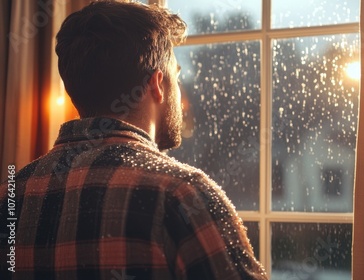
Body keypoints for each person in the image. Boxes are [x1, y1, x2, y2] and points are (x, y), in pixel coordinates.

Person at [0, 1, 267, 279]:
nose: (179, 90)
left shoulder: (8, 198)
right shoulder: (182, 195)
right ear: (156, 84)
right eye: (176, 76)